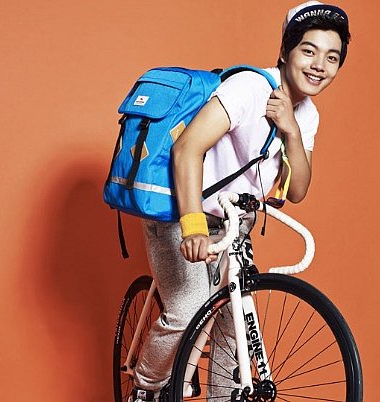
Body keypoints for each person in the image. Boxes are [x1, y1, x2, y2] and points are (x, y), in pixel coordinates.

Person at [130, 2, 351, 401]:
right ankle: (144, 390)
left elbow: (297, 191)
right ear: (285, 51)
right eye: (309, 51)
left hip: (233, 224)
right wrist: (193, 227)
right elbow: (186, 149)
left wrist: (292, 131)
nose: (319, 65)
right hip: (184, 212)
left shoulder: (308, 115)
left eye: (332, 57)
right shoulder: (249, 89)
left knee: (236, 320)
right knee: (188, 307)